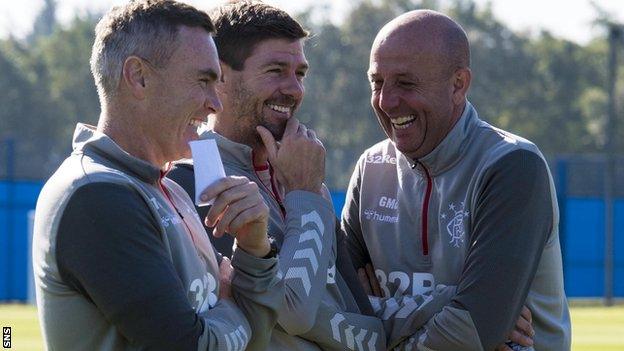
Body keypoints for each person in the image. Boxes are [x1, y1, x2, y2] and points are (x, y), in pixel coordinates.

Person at [32, 1, 284, 350]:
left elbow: (254, 342)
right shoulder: (97, 195)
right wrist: (231, 305)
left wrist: (255, 251)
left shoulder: (169, 189)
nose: (217, 104)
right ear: (139, 76)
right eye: (203, 80)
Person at [342, 9, 571, 351]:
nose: (386, 101)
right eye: (377, 82)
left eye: (405, 83)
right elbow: (336, 309)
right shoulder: (371, 167)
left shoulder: (512, 165)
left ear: (458, 84)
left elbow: (471, 331)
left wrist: (378, 316)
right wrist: (450, 304)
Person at [166, 2, 385, 350]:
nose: (294, 89)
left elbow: (370, 324)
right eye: (275, 70)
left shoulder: (305, 181)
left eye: (299, 73)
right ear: (220, 76)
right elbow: (293, 310)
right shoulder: (195, 178)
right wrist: (306, 195)